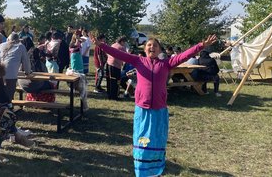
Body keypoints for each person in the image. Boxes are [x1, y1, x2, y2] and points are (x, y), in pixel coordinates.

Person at [92, 33, 217, 177]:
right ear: (145, 49)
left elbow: (184, 56)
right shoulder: (138, 60)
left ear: (159, 50)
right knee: (142, 142)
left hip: (159, 110)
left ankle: (155, 169)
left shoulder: (166, 63)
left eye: (155, 45)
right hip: (142, 110)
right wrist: (101, 45)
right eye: (149, 45)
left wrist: (201, 45)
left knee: (156, 141)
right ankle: (141, 169)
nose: (152, 47)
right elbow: (117, 53)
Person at [0, 33, 31, 101]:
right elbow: (26, 61)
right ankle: (8, 107)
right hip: (11, 73)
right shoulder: (20, 46)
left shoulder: (1, 45)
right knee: (9, 93)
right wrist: (27, 72)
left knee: (0, 93)